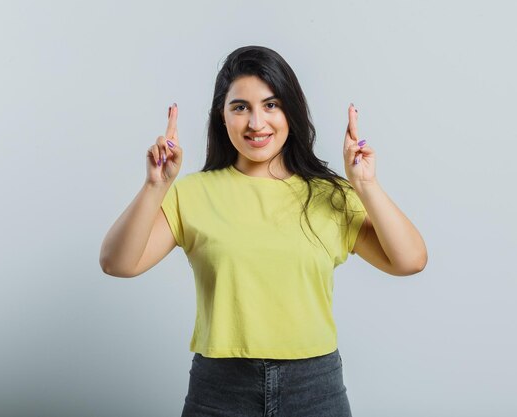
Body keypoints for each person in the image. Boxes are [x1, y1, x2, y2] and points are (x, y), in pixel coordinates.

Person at [100, 45, 427, 417]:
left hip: (314, 388)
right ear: (222, 117)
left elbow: (411, 260)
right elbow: (117, 263)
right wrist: (154, 186)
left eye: (271, 105)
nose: (257, 123)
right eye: (240, 107)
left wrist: (366, 185)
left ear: (292, 111)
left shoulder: (330, 195)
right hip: (220, 389)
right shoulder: (192, 193)